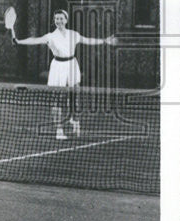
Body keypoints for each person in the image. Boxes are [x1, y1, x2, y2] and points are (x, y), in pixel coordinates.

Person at [13, 9, 117, 140]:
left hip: (72, 65)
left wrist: (104, 41)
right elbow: (34, 40)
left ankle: (75, 120)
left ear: (66, 20)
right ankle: (59, 130)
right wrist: (19, 41)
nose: (59, 21)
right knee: (57, 99)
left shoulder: (73, 34)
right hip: (58, 67)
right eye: (56, 19)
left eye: (61, 19)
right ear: (54, 21)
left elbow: (88, 40)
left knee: (75, 96)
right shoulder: (50, 36)